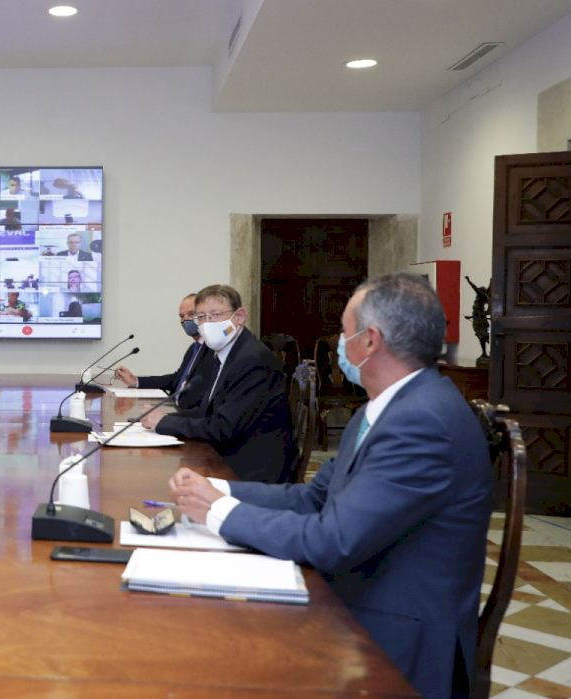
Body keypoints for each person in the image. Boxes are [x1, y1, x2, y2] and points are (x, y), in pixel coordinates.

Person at [167, 273, 491, 698]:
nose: (339, 344)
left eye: (343, 331)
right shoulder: (389, 405)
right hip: (359, 590)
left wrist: (218, 512)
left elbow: (332, 540)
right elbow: (315, 496)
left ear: (369, 341)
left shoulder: (422, 422)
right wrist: (220, 489)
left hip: (394, 633)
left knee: (209, 648)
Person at [141, 285, 294, 483]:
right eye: (201, 317)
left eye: (215, 315)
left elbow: (223, 428)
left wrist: (166, 423)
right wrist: (166, 417)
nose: (207, 323)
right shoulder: (224, 354)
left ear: (239, 317)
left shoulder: (252, 360)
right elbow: (207, 412)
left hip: (252, 470)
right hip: (230, 454)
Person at [116, 293, 210, 410]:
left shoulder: (212, 351)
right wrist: (136, 381)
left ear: (203, 316)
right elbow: (176, 380)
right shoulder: (194, 348)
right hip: (173, 409)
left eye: (191, 314)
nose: (185, 319)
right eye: (181, 316)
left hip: (186, 414)